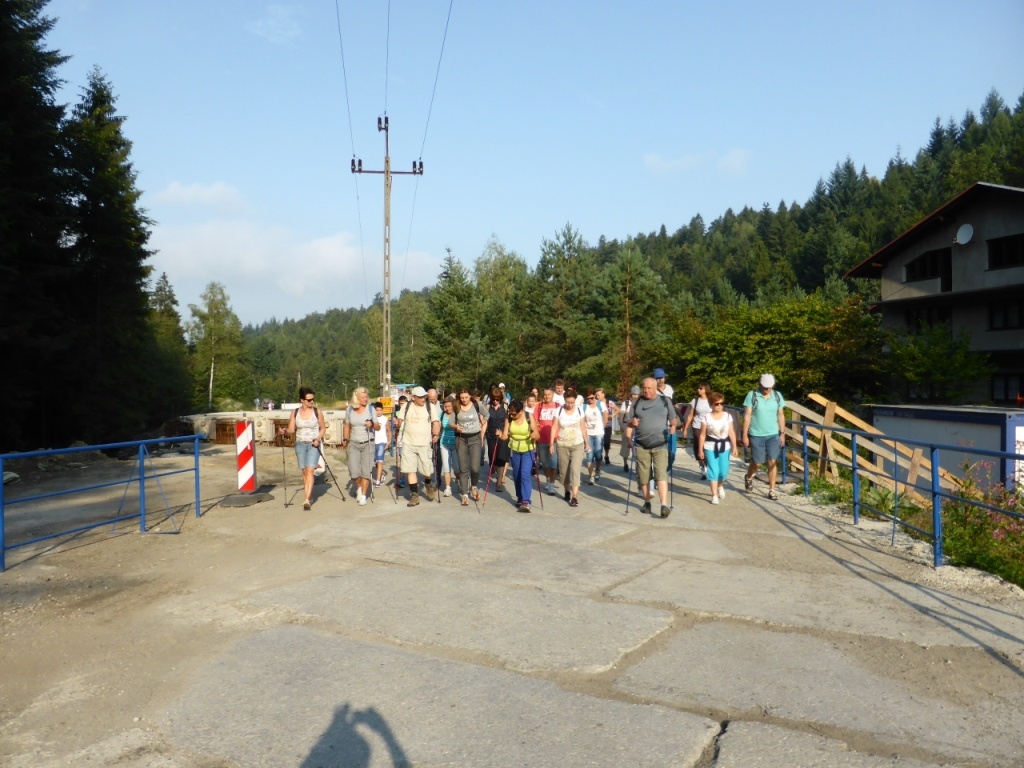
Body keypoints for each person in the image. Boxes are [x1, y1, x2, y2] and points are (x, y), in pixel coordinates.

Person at [625, 377, 678, 518]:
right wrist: (632, 423)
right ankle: (647, 502)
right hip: (641, 445)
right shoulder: (637, 403)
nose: (646, 390)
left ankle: (664, 505)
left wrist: (673, 426)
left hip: (660, 445)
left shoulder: (665, 401)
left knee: (661, 475)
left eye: (649, 388)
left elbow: (673, 418)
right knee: (644, 477)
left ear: (655, 389)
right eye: (644, 388)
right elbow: (628, 422)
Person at [742, 373, 787, 501]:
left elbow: (780, 415)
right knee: (758, 463)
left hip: (773, 434)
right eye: (765, 387)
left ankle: (772, 490)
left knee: (772, 461)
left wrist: (782, 433)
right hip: (756, 434)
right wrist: (744, 435)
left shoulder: (777, 396)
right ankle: (749, 477)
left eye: (769, 387)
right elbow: (747, 416)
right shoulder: (752, 395)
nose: (767, 390)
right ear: (760, 385)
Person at [280, 387, 326, 510]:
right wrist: (284, 431)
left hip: (313, 444)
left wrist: (318, 438)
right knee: (305, 472)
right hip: (300, 444)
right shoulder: (295, 412)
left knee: (310, 470)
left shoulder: (317, 412)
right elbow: (291, 430)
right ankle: (309, 496)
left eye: (313, 399)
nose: (312, 402)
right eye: (309, 400)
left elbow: (323, 428)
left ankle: (306, 499)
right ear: (302, 400)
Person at [394, 386, 440, 506]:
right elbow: (400, 422)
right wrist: (397, 423)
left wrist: (436, 434)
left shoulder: (430, 406)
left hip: (424, 443)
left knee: (427, 470)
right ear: (413, 397)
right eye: (420, 397)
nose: (423, 399)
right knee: (410, 470)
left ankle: (428, 484)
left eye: (424, 396)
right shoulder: (406, 406)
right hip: (408, 443)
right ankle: (414, 496)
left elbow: (436, 422)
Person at [342, 387, 379, 506]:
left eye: (366, 397)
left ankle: (363, 495)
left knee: (366, 470)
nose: (365, 399)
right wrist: (345, 438)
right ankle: (359, 486)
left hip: (368, 442)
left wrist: (372, 424)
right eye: (363, 397)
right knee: (353, 472)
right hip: (354, 443)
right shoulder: (349, 410)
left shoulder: (371, 409)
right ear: (356, 398)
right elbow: (347, 425)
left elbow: (378, 427)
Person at [698, 393, 737, 505]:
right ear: (711, 405)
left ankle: (720, 486)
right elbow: (702, 435)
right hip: (710, 446)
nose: (719, 406)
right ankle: (714, 495)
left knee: (723, 471)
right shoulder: (706, 418)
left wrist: (734, 446)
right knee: (713, 470)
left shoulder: (727, 416)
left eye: (721, 403)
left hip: (725, 446)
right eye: (717, 404)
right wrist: (700, 450)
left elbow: (731, 432)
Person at [501, 398, 540, 512]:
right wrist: (499, 435)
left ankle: (526, 501)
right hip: (514, 450)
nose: (512, 415)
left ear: (521, 411)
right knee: (516, 475)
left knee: (525, 474)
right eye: (510, 413)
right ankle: (520, 497)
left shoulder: (528, 417)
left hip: (528, 449)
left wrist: (534, 436)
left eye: (514, 414)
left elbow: (537, 435)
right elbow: (505, 435)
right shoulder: (509, 418)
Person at [550, 389, 586, 506]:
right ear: (564, 400)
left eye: (572, 402)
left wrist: (587, 442)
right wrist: (551, 444)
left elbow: (583, 427)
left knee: (575, 469)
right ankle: (567, 490)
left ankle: (574, 497)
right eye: (568, 402)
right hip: (563, 444)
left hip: (577, 443)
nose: (570, 404)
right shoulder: (559, 410)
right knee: (564, 471)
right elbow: (554, 427)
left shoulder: (579, 410)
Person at [453, 387, 486, 506]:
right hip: (461, 438)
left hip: (475, 438)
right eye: (462, 397)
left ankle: (474, 486)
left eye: (466, 397)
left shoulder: (477, 404)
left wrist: (482, 424)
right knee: (463, 468)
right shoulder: (456, 405)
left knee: (475, 467)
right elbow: (450, 421)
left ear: (470, 396)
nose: (464, 400)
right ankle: (465, 494)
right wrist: (455, 427)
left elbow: (487, 415)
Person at [681, 382, 713, 479]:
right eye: (698, 388)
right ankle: (702, 467)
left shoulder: (711, 400)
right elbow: (690, 415)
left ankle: (708, 465)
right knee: (699, 446)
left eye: (701, 388)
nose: (698, 390)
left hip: (709, 427)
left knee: (708, 447)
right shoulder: (695, 401)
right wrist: (685, 428)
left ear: (706, 389)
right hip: (697, 426)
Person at [533, 388, 561, 494]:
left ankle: (552, 484)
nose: (547, 396)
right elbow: (534, 421)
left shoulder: (558, 406)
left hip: (554, 439)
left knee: (553, 462)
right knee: (544, 463)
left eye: (549, 394)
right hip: (542, 439)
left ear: (552, 395)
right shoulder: (539, 406)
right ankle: (548, 479)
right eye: (545, 394)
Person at [484, 383, 510, 492]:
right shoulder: (487, 407)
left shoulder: (505, 407)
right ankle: (495, 470)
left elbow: (509, 420)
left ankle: (499, 482)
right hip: (491, 435)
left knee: (501, 458)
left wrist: (506, 432)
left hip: (503, 435)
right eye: (494, 399)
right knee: (492, 457)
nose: (495, 401)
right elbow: (484, 421)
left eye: (497, 399)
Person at [582, 388, 607, 484]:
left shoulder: (600, 404)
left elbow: (605, 416)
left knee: (598, 454)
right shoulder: (584, 407)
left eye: (592, 398)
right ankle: (591, 476)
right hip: (588, 434)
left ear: (595, 397)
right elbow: (582, 421)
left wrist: (602, 427)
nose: (590, 400)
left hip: (599, 433)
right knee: (589, 456)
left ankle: (598, 469)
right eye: (588, 398)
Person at [438, 395, 459, 496]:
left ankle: (459, 480)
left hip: (455, 444)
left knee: (456, 467)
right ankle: (448, 488)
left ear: (453, 405)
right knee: (446, 467)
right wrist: (435, 435)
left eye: (449, 406)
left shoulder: (457, 414)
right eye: (445, 406)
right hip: (444, 443)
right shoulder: (441, 415)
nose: (447, 408)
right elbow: (439, 428)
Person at [618, 385, 640, 472]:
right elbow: (621, 415)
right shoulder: (626, 403)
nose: (635, 396)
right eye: (634, 394)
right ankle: (625, 463)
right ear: (631, 395)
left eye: (637, 394)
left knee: (637, 447)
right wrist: (621, 425)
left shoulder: (640, 403)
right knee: (626, 446)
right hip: (627, 425)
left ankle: (638, 465)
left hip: (637, 427)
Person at [372, 401, 392, 488]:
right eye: (377, 410)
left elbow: (389, 431)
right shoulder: (372, 419)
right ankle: (382, 474)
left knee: (380, 461)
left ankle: (378, 481)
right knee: (375, 462)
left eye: (380, 410)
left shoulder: (385, 419)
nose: (379, 412)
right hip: (373, 442)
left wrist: (389, 442)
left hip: (382, 442)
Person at [596, 388, 617, 464]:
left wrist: (612, 416)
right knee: (599, 442)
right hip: (599, 426)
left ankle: (606, 455)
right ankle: (599, 457)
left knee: (607, 442)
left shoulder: (609, 402)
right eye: (596, 395)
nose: (597, 397)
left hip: (608, 425)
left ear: (603, 394)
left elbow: (617, 410)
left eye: (598, 395)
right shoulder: (596, 403)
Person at [392, 394, 408, 489]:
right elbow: (395, 423)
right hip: (401, 436)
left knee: (408, 458)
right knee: (402, 458)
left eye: (404, 403)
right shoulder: (397, 413)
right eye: (401, 404)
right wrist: (395, 423)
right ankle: (402, 479)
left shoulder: (410, 412)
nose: (402, 405)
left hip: (409, 437)